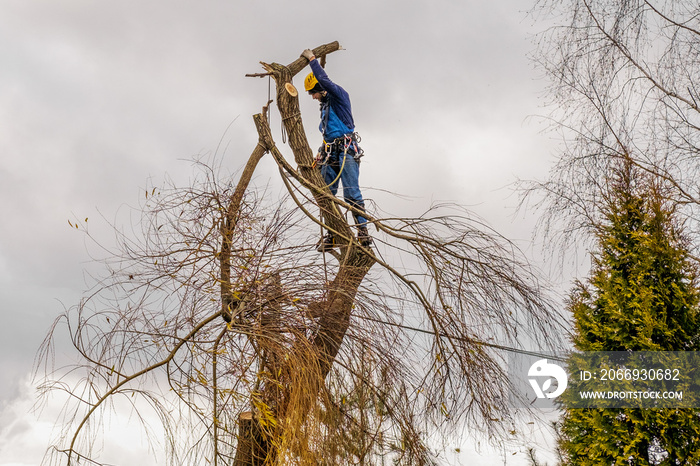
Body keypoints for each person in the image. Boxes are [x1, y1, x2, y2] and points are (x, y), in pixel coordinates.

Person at [301, 48, 372, 252]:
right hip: (330, 153)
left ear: (320, 88)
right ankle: (334, 234)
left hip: (347, 151)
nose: (312, 97)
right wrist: (321, 151)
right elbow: (329, 133)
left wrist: (312, 60)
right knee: (326, 194)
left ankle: (363, 232)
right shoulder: (325, 107)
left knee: (351, 194)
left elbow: (324, 80)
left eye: (312, 92)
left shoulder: (339, 97)